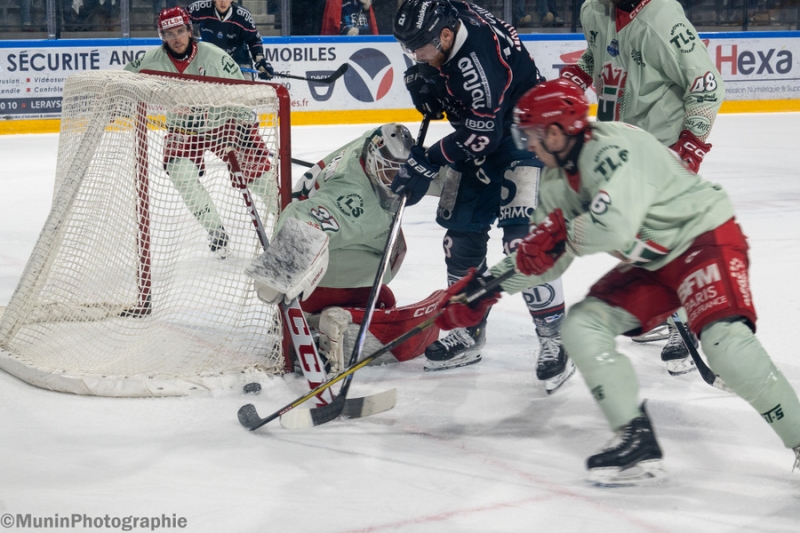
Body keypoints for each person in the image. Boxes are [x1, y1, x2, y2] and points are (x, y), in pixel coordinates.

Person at [432, 78, 800, 485]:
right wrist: (486, 288)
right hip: (653, 263)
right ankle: (636, 439)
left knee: (725, 346)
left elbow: (614, 226)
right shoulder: (554, 183)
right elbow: (545, 259)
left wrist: (561, 236)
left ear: (555, 132)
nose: (528, 146)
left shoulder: (613, 147)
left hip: (702, 239)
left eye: (530, 135)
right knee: (581, 327)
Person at [391, 0, 575, 393]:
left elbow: (482, 136)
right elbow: (467, 116)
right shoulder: (447, 15)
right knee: (459, 238)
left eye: (421, 48)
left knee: (522, 243)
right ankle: (469, 330)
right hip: (480, 131)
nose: (416, 55)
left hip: (524, 137)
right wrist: (427, 78)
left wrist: (427, 161)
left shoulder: (477, 62)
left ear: (445, 35)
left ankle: (555, 336)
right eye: (409, 49)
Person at [560, 0, 726, 373]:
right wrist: (575, 78)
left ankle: (689, 322)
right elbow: (597, 55)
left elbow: (707, 85)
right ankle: (666, 310)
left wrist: (689, 147)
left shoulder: (661, 18)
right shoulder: (593, 9)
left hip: (661, 147)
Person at [249, 124, 443, 373]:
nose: (396, 181)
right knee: (382, 302)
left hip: (334, 254)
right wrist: (281, 269)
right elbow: (305, 215)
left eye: (401, 171)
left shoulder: (369, 144)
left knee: (382, 277)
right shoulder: (354, 200)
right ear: (373, 160)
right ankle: (323, 324)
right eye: (389, 172)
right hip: (329, 281)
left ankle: (300, 318)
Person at [125, 7, 274, 258]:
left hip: (224, 123)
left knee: (259, 177)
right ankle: (216, 231)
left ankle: (290, 220)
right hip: (183, 129)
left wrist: (245, 127)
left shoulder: (214, 56)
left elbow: (240, 93)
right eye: (169, 34)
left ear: (189, 30)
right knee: (180, 174)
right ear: (162, 36)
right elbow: (125, 79)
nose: (176, 39)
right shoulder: (151, 61)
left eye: (180, 31)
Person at [187, 0, 274, 80]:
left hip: (239, 61)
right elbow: (182, 17)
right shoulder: (201, 8)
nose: (223, 2)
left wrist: (261, 62)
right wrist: (188, 40)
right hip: (211, 63)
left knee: (246, 92)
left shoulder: (243, 16)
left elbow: (254, 40)